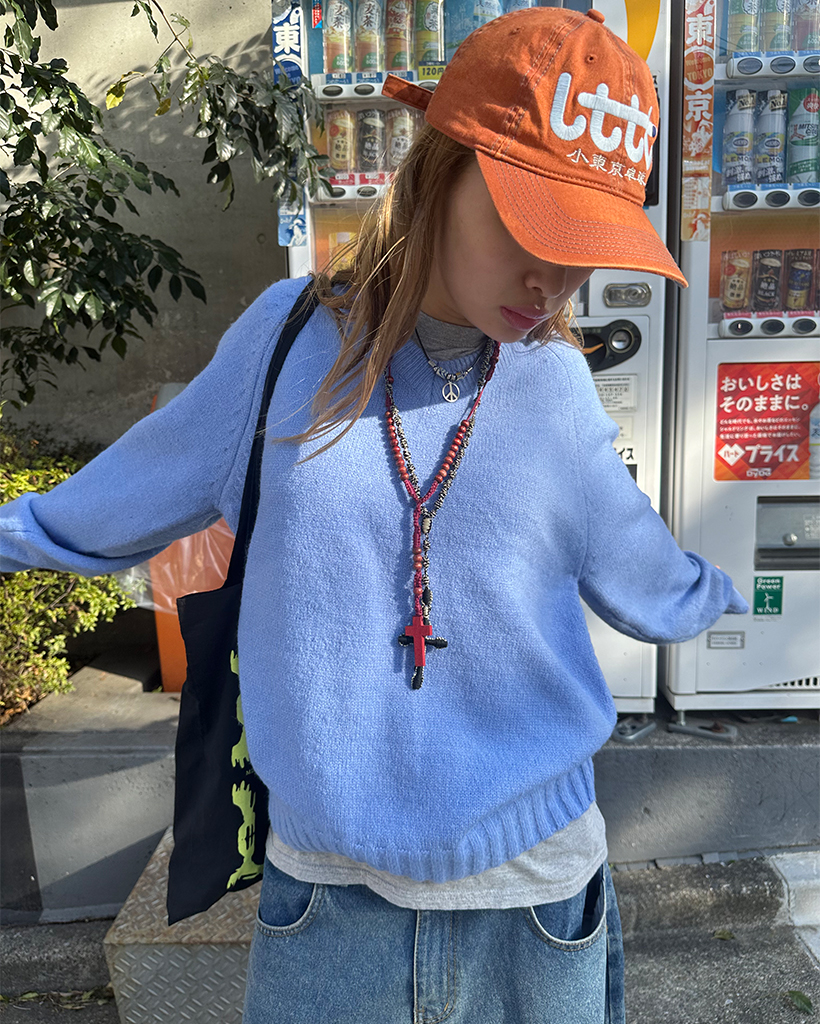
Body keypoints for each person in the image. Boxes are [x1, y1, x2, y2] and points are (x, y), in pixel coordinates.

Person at [0, 8, 748, 1023]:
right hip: (328, 905)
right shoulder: (283, 344)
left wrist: (737, 591)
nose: (554, 281)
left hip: (534, 899)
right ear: (439, 170)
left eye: (585, 247)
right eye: (531, 227)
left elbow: (649, 580)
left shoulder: (555, 386)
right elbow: (107, 503)